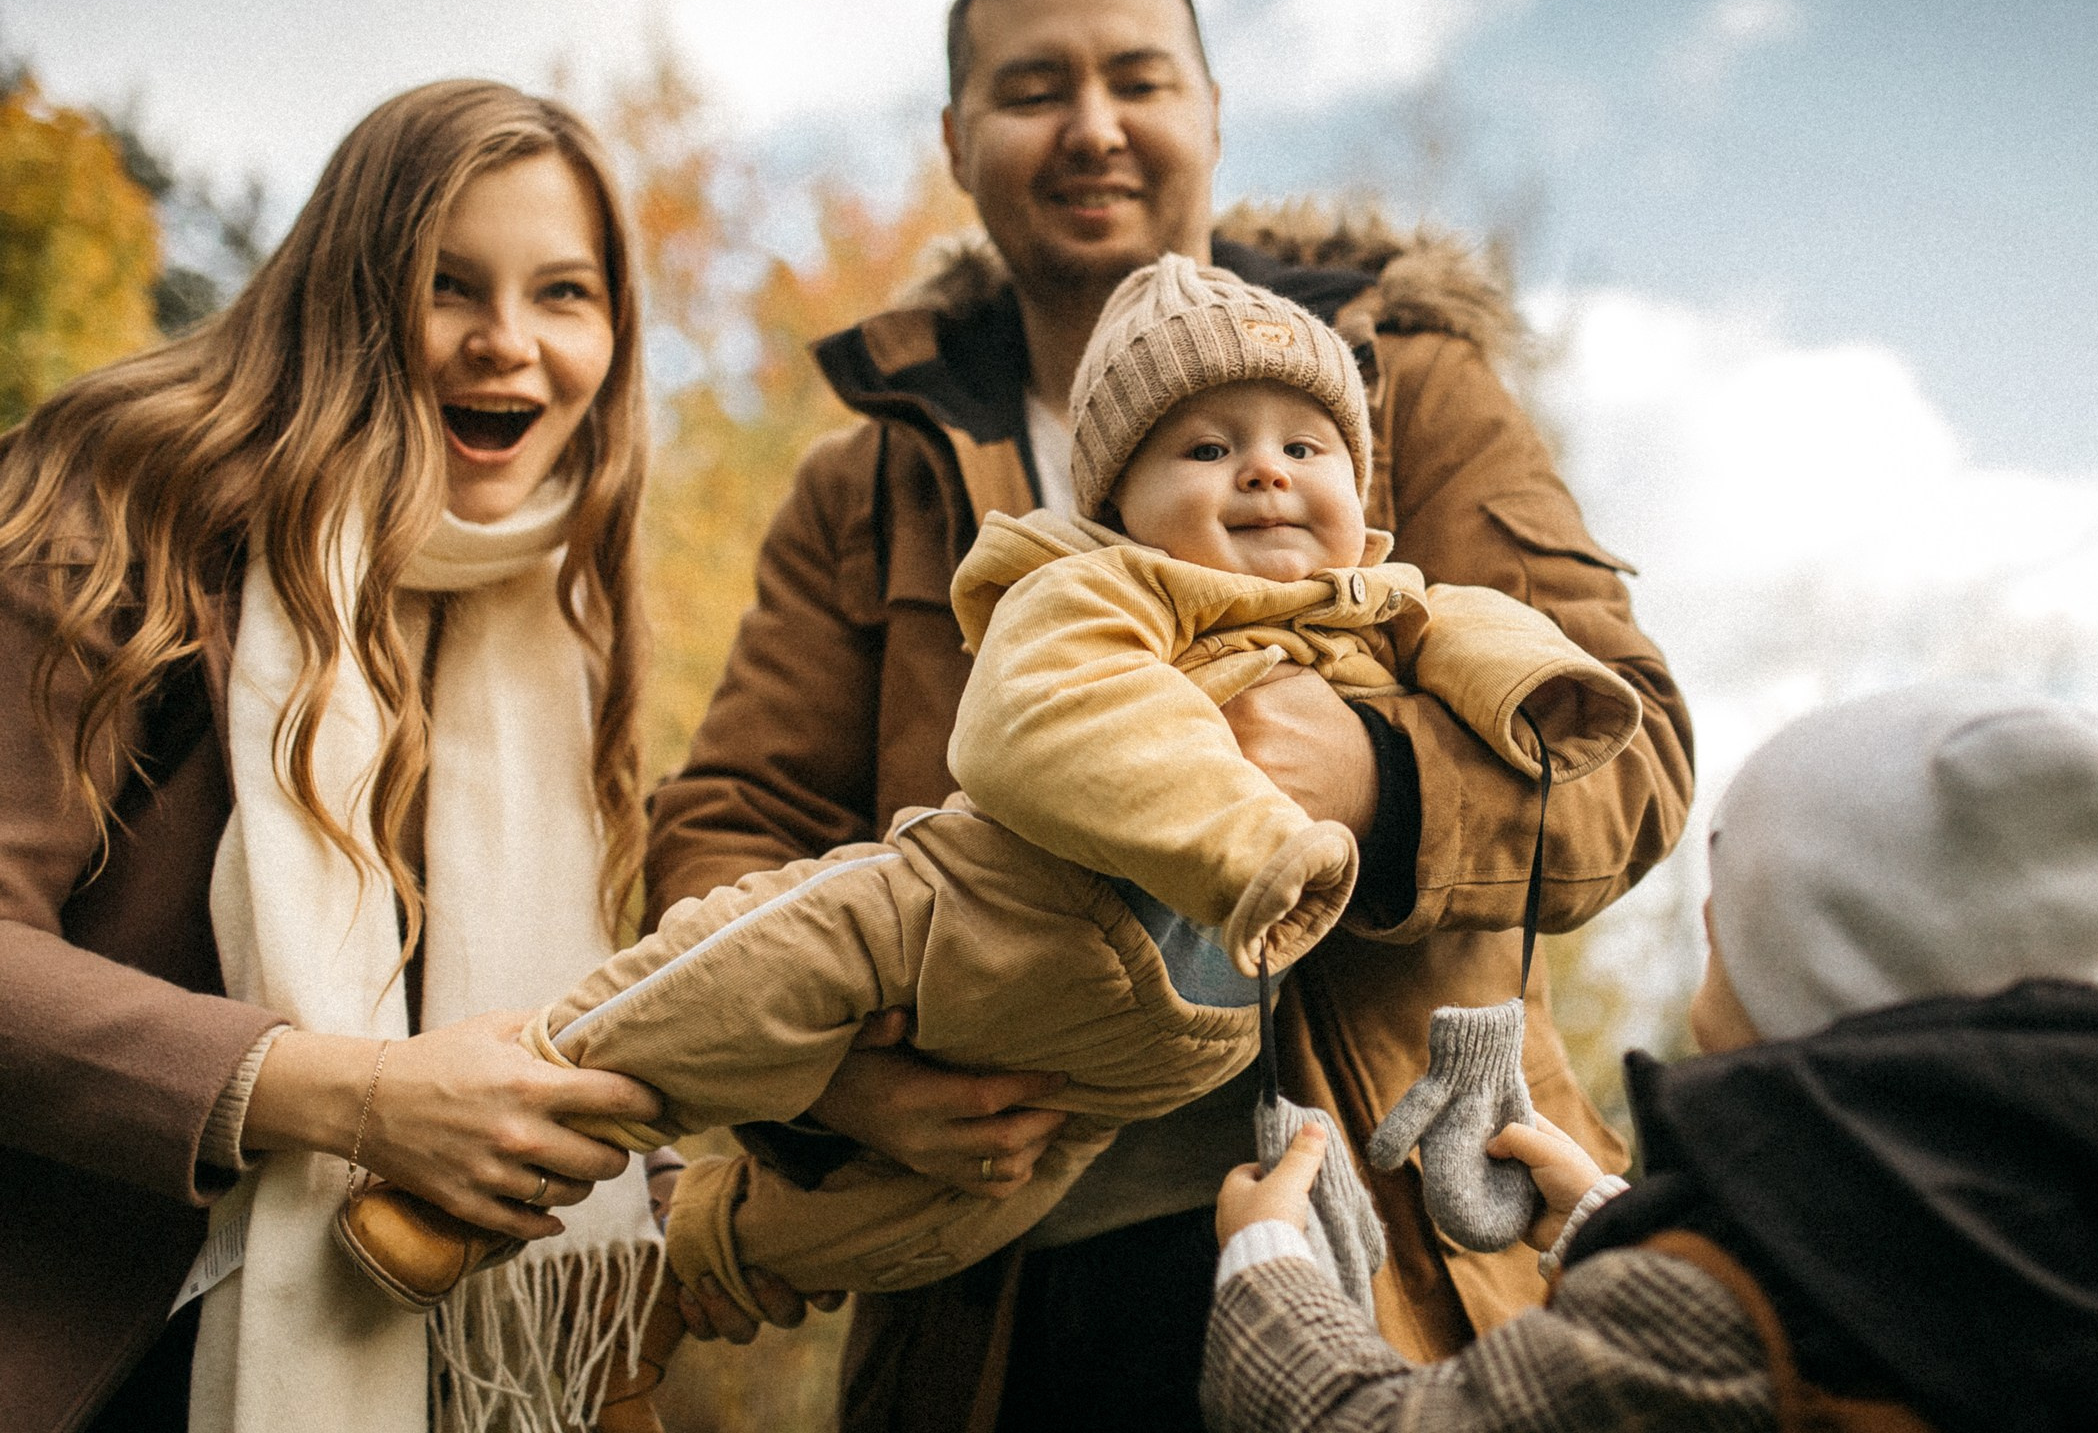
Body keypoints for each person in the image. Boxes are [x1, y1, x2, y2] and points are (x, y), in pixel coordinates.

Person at [644, 0, 1694, 1431]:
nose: (1090, 126)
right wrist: (828, 1084)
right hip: (991, 1298)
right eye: (1032, 90)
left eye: (1137, 78)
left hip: (1403, 1262)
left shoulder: (1412, 390)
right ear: (957, 140)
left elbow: (1630, 755)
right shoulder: (867, 480)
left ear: (1210, 111)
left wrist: (1376, 780)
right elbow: (728, 823)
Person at [342, 254, 1647, 1324]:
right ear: (1120, 504)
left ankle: (704, 1258)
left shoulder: (1383, 567)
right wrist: (1249, 838)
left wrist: (1532, 700)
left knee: (930, 1222)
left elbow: (1486, 634)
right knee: (752, 966)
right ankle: (525, 1130)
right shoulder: (1097, 586)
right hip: (961, 923)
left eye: (1304, 444)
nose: (1262, 470)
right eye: (1205, 448)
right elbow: (1056, 721)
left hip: (1148, 1057)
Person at [0, 79, 671, 1433]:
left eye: (563, 295)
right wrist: (350, 1097)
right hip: (106, 1351)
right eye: (448, 286)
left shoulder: (565, 611)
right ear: (352, 288)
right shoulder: (113, 502)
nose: (509, 346)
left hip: (449, 1363)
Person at [1203, 685, 2098, 1433]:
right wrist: (1611, 1218)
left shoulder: (1714, 1314)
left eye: (1733, 895)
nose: (1708, 922)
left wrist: (1265, 1259)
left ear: (1836, 959)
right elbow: (1893, 1268)